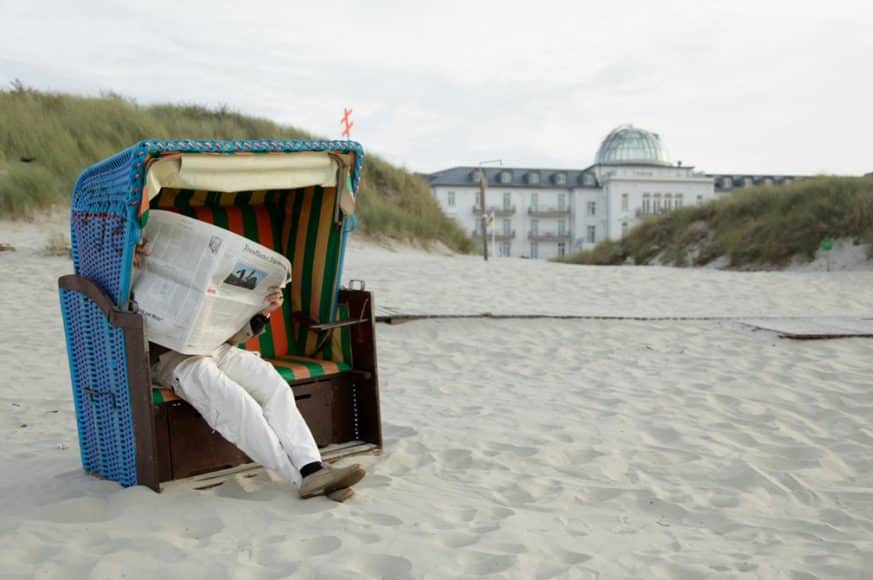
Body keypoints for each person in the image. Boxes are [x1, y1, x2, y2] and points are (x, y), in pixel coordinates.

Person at [135, 240, 365, 499]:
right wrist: (129, 266)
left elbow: (229, 332)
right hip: (175, 359)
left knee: (273, 385)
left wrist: (264, 311)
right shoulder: (128, 264)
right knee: (239, 404)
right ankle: (305, 476)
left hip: (216, 347)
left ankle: (313, 468)